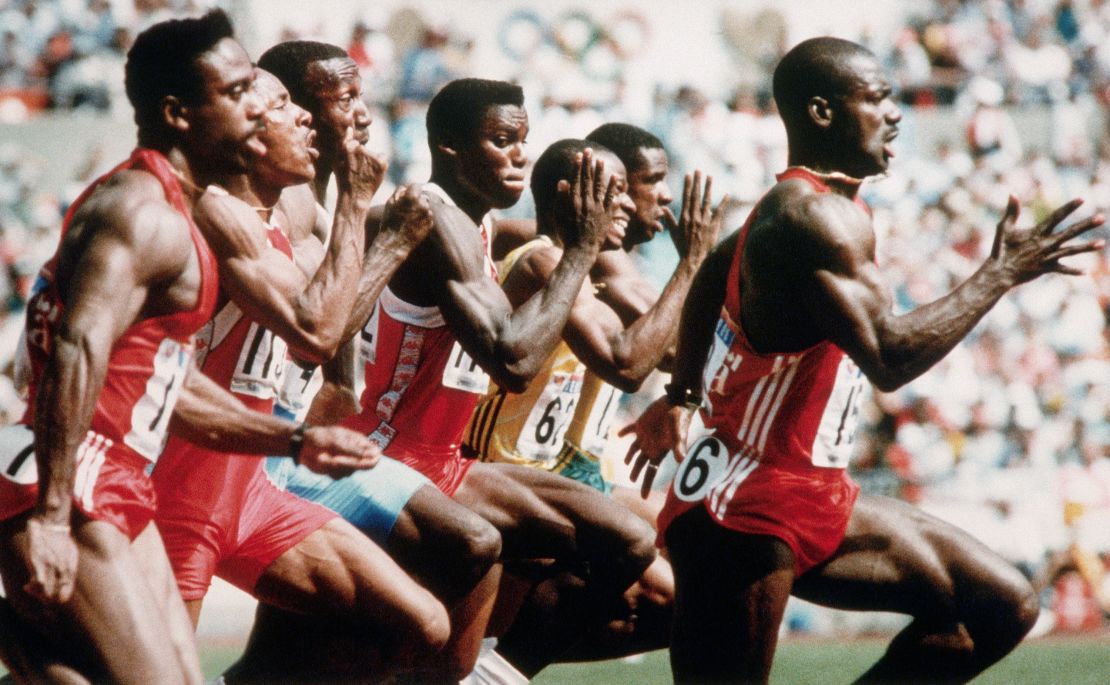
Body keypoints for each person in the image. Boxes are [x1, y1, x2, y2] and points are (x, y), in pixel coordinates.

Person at [623, 36, 1105, 684]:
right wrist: (1000, 274)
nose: (896, 112)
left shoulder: (796, 211)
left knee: (998, 605)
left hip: (812, 490)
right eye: (877, 98)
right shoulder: (812, 217)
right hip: (743, 504)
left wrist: (680, 394)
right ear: (822, 112)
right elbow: (888, 356)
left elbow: (714, 269)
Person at [0, 11, 375, 685]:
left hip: (118, 475)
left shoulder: (183, 210)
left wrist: (290, 442)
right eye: (235, 95)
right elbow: (74, 351)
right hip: (77, 471)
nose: (257, 113)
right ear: (177, 113)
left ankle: (19, 639)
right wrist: (52, 517)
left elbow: (163, 380)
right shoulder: (142, 211)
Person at [307, 78, 657, 678]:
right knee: (470, 564)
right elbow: (513, 361)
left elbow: (560, 246)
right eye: (501, 140)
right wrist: (580, 248)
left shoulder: (480, 224)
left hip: (449, 460)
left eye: (524, 140)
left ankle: (496, 673)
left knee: (625, 540)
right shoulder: (433, 219)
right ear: (449, 147)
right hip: (390, 454)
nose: (519, 155)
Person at [151, 65, 452, 683]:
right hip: (179, 497)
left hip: (251, 492)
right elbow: (316, 332)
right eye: (287, 106)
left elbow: (332, 333)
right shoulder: (216, 214)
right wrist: (359, 206)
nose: (307, 118)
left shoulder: (278, 225)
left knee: (422, 624)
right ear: (248, 135)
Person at [233, 43, 507, 684]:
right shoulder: (295, 208)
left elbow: (329, 368)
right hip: (247, 451)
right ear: (292, 109)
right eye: (344, 99)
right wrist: (384, 236)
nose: (363, 114)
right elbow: (316, 335)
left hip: (293, 446)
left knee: (469, 554)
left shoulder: (328, 203)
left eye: (362, 97)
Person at [463, 136, 725, 670]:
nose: (644, 201)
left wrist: (681, 392)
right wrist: (695, 260)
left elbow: (663, 357)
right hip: (506, 468)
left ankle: (502, 662)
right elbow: (636, 360)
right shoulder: (561, 266)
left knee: (688, 588)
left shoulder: (581, 270)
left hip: (559, 468)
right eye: (628, 187)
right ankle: (501, 666)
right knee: (653, 575)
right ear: (578, 193)